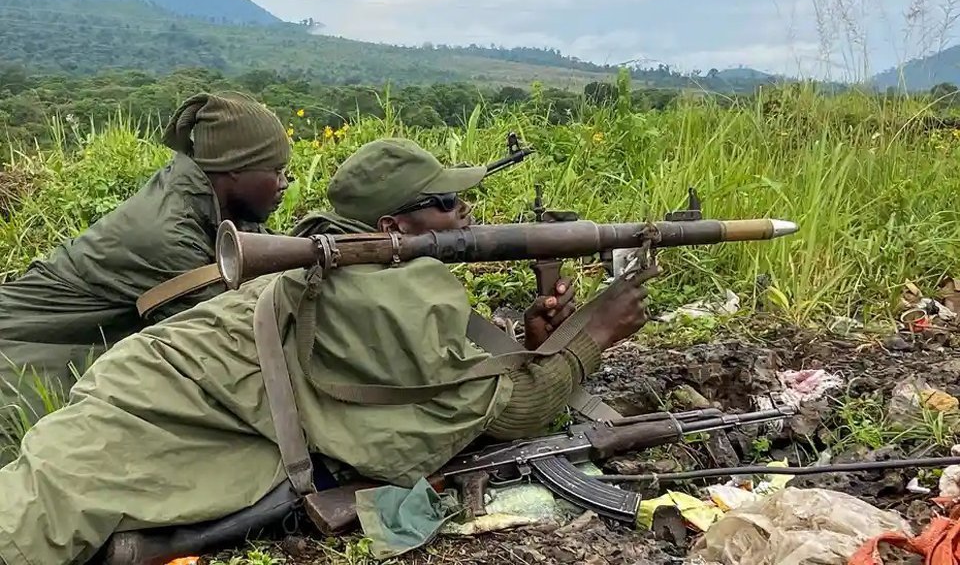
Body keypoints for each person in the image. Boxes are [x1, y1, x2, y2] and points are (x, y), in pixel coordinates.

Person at [0, 138, 659, 565]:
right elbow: (509, 413)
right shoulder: (379, 299)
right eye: (446, 202)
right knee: (32, 521)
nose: (466, 212)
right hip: (153, 412)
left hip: (157, 390)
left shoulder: (348, 263)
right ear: (391, 228)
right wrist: (595, 333)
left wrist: (528, 346)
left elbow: (437, 372)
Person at [0, 91, 291, 443]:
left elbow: (271, 253)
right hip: (29, 340)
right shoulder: (170, 233)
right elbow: (236, 332)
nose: (284, 184)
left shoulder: (209, 199)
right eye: (276, 171)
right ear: (234, 167)